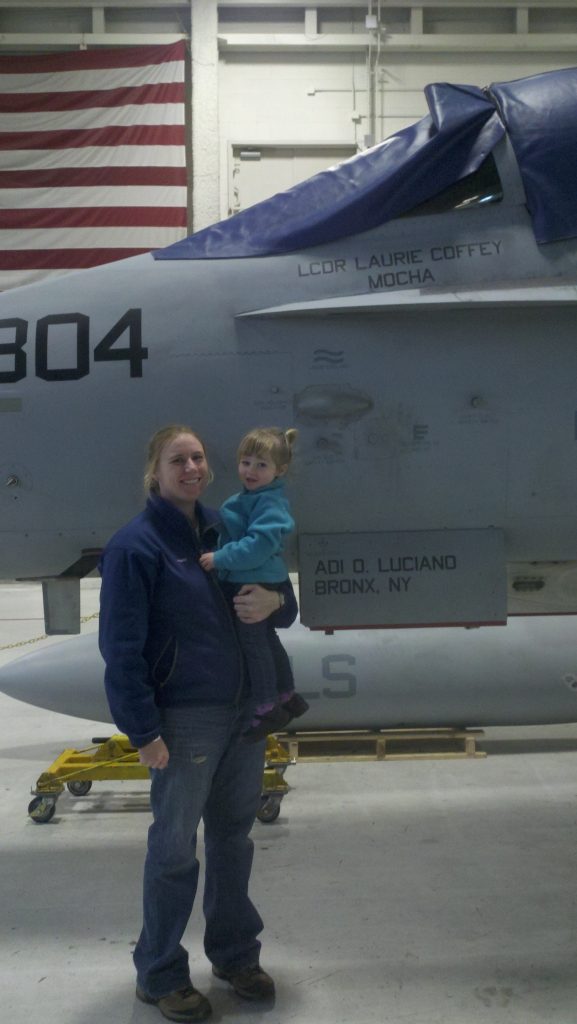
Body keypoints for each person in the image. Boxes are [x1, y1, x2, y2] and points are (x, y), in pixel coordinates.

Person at [98, 424, 298, 1024]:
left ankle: (236, 955)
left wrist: (277, 602)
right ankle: (158, 971)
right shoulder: (135, 546)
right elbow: (122, 650)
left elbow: (276, 596)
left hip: (245, 711)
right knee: (174, 850)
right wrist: (143, 732)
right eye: (176, 459)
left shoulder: (228, 524)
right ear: (154, 473)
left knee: (234, 840)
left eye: (198, 457)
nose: (191, 467)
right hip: (185, 721)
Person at [199, 426, 308, 742]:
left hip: (252, 580)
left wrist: (220, 558)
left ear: (280, 470)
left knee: (254, 647)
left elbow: (257, 546)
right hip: (255, 577)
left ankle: (265, 707)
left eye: (261, 465)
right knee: (268, 641)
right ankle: (287, 695)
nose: (251, 470)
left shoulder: (268, 504)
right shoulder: (253, 499)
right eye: (246, 462)